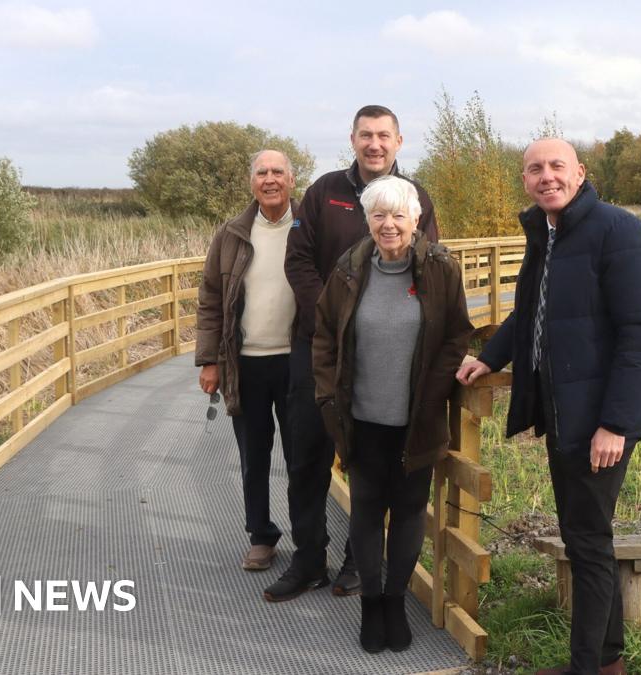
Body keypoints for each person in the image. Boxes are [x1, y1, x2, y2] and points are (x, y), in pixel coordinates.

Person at [457, 138, 641, 675]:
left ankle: (585, 668)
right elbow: (530, 312)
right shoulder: (546, 234)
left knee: (588, 541)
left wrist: (614, 423)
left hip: (600, 419)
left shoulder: (618, 231)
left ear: (580, 173)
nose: (546, 176)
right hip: (564, 411)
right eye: (534, 169)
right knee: (585, 535)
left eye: (556, 167)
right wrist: (490, 357)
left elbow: (640, 334)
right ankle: (607, 663)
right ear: (524, 179)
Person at [270, 105, 439, 602]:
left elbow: (429, 267)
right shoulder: (324, 193)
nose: (374, 144)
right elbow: (298, 261)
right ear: (353, 138)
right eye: (366, 135)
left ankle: (357, 561)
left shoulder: (415, 198)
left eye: (383, 135)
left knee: (371, 462)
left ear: (398, 141)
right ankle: (308, 559)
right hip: (318, 349)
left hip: (384, 357)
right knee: (306, 457)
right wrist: (332, 315)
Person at [313, 175, 472, 653]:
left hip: (416, 420)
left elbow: (456, 335)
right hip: (360, 418)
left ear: (416, 219)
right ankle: (370, 604)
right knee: (365, 510)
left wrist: (434, 390)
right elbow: (323, 336)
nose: (388, 225)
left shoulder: (441, 269)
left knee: (407, 513)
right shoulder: (348, 270)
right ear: (367, 220)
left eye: (398, 215)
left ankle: (395, 604)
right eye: (378, 215)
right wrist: (327, 398)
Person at [195, 149, 298, 573]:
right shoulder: (232, 233)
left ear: (292, 179)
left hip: (298, 361)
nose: (269, 179)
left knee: (303, 457)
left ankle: (310, 539)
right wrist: (209, 361)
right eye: (261, 172)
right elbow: (210, 300)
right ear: (250, 181)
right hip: (246, 363)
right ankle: (261, 535)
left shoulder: (310, 227)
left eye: (277, 172)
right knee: (253, 456)